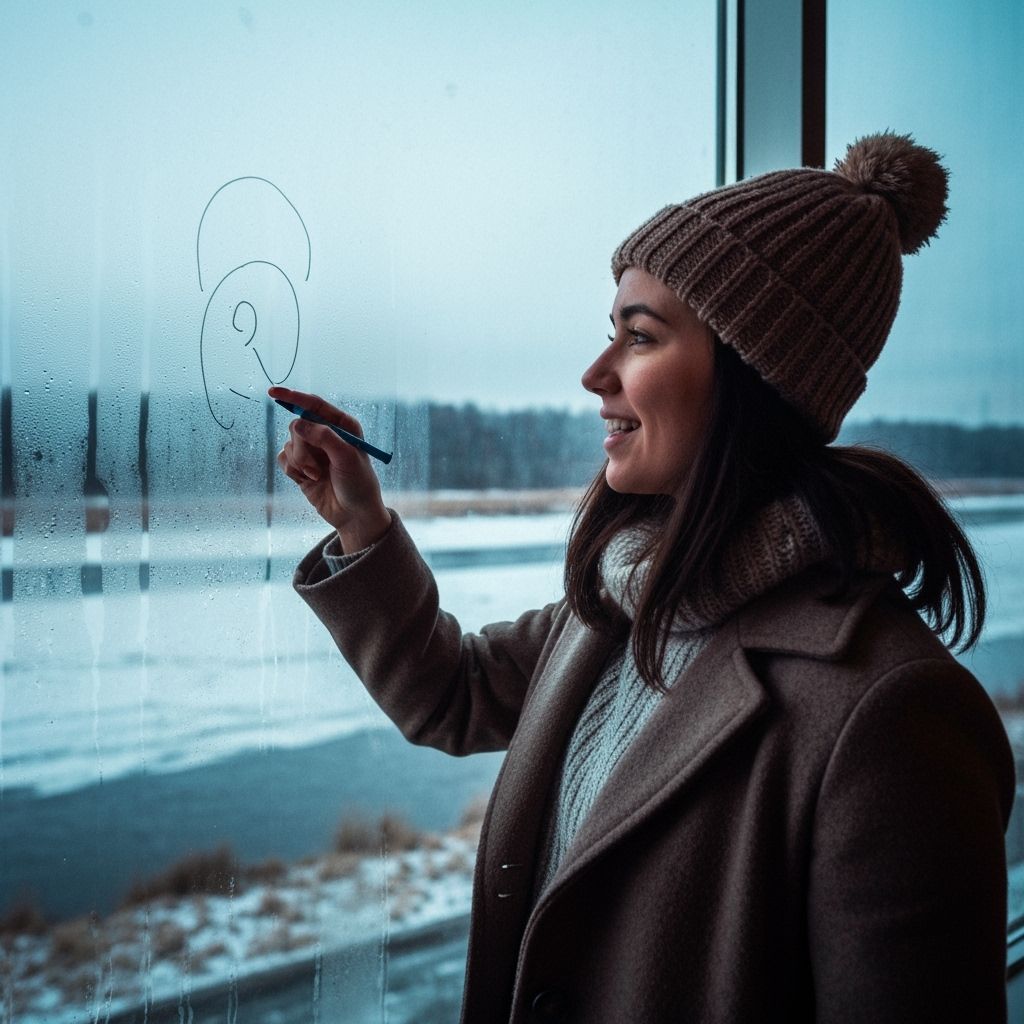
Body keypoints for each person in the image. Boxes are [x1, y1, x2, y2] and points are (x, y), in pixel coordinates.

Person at [271, 132, 1016, 1023]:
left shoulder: (893, 715)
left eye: (641, 336)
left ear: (754, 375)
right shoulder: (624, 604)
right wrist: (361, 521)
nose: (595, 375)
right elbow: (454, 694)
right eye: (609, 332)